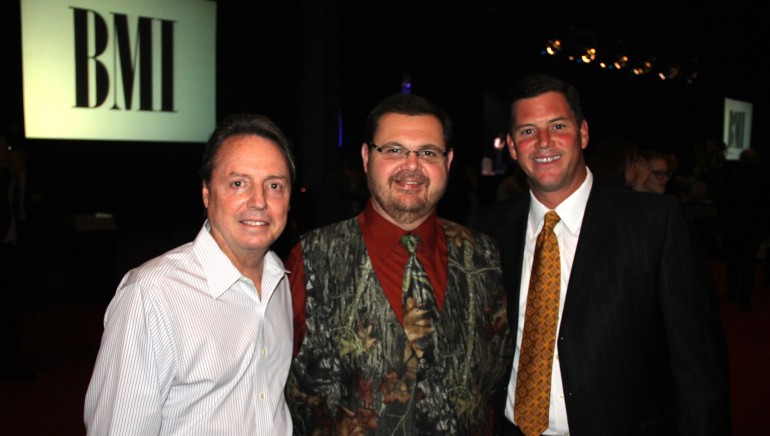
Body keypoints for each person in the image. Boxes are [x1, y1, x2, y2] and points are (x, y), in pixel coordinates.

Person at [470, 74, 730, 435]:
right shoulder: (487, 229)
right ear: (513, 147)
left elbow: (698, 364)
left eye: (558, 126)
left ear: (583, 133)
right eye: (528, 131)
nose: (543, 142)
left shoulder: (654, 222)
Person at [285, 93, 513, 434]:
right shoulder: (311, 257)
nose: (411, 165)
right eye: (393, 150)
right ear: (365, 157)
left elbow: (493, 382)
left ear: (448, 161)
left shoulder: (484, 255)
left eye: (428, 152)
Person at [84, 114, 296, 434]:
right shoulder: (152, 295)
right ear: (207, 194)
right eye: (238, 183)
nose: (259, 201)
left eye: (274, 185)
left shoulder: (279, 282)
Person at [720, 147, 770, 310]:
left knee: (733, 260)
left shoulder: (733, 177)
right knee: (749, 264)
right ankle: (744, 298)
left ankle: (732, 291)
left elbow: (725, 203)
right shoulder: (761, 179)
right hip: (751, 227)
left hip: (735, 226)